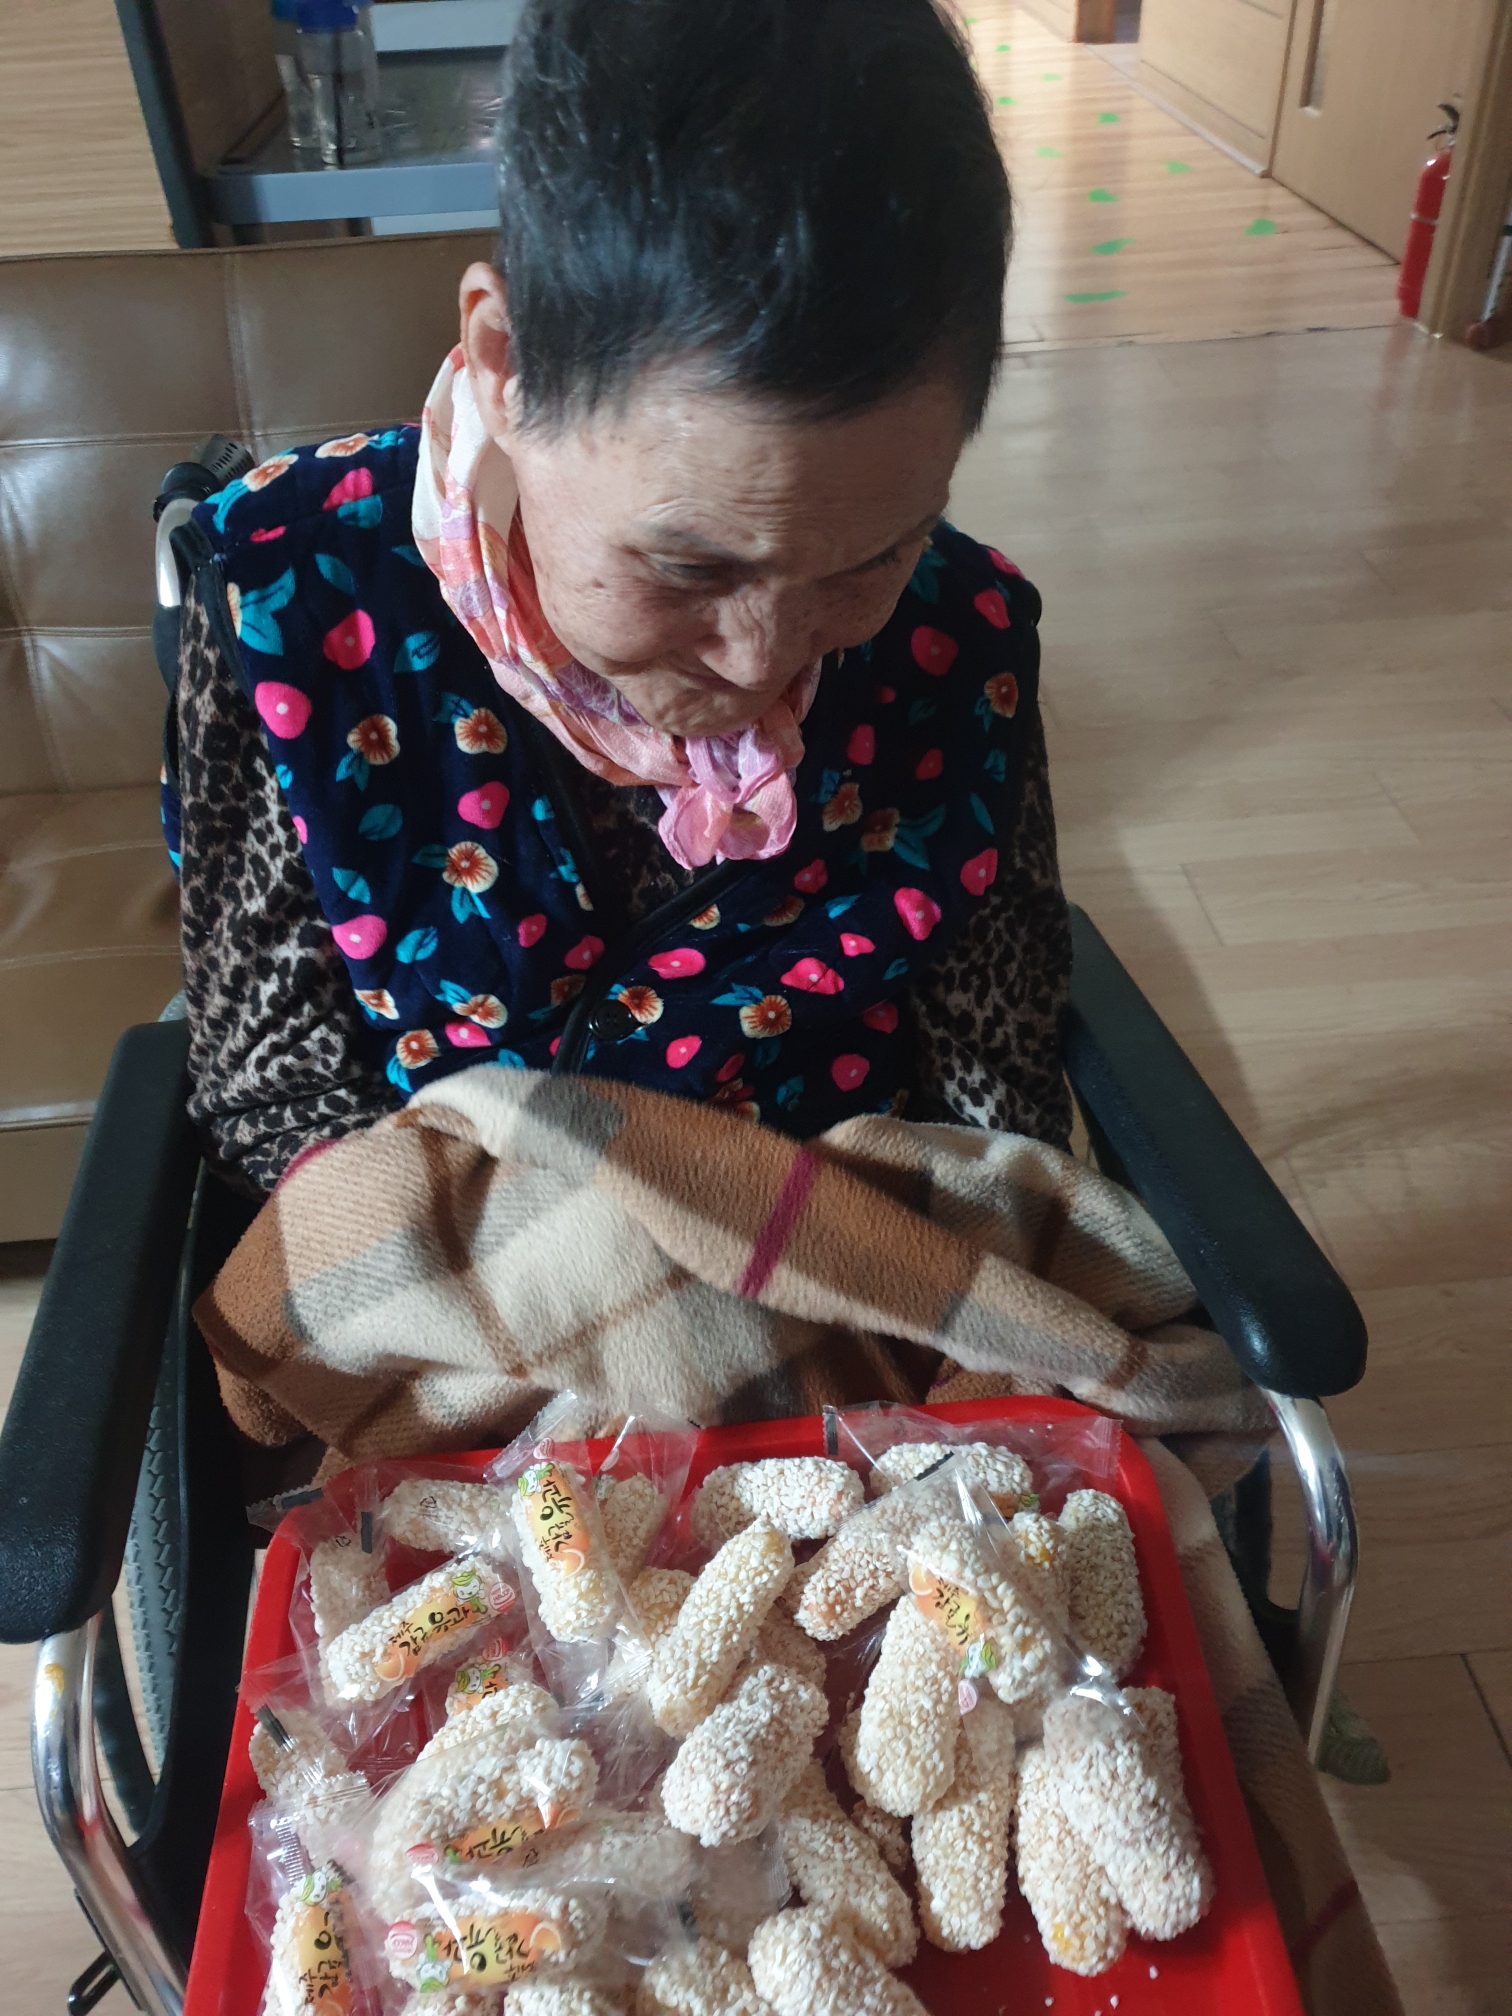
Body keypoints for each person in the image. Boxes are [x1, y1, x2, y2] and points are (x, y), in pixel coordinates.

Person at [172, 0, 1072, 1195]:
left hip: (844, 1249)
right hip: (458, 1255)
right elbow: (275, 1092)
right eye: (689, 568)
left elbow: (997, 1114)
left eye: (869, 559)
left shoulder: (962, 636)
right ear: (505, 365)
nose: (761, 660)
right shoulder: (288, 599)